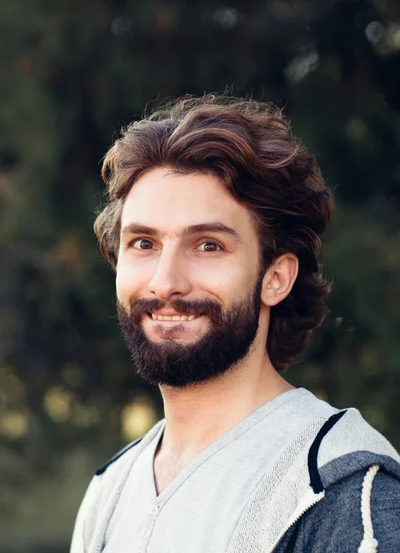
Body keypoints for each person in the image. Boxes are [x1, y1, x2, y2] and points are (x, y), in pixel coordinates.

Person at [70, 95, 400, 553]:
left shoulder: (342, 491)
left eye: (208, 245)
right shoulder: (109, 493)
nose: (166, 282)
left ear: (275, 277)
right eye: (143, 243)